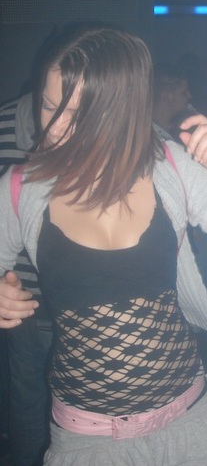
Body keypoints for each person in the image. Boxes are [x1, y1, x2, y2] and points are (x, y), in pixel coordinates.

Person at [0, 26, 207, 466]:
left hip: (187, 413)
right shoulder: (23, 187)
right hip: (90, 436)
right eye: (49, 106)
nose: (55, 129)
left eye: (77, 114)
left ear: (119, 112)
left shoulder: (170, 167)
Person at [0, 92, 53, 466]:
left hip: (15, 289)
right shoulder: (88, 121)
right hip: (33, 291)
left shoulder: (3, 118)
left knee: (26, 394)